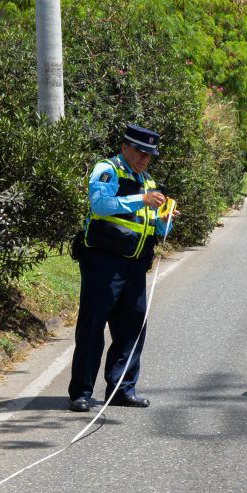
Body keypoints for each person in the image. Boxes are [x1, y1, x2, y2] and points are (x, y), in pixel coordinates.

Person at [67, 124, 178, 412]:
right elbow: (100, 205)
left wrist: (165, 218)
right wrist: (140, 199)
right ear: (125, 146)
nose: (145, 159)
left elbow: (154, 224)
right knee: (92, 327)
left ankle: (121, 389)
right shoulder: (108, 169)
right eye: (140, 152)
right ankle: (81, 392)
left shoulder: (148, 180)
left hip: (135, 265)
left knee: (133, 328)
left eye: (150, 155)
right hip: (104, 262)